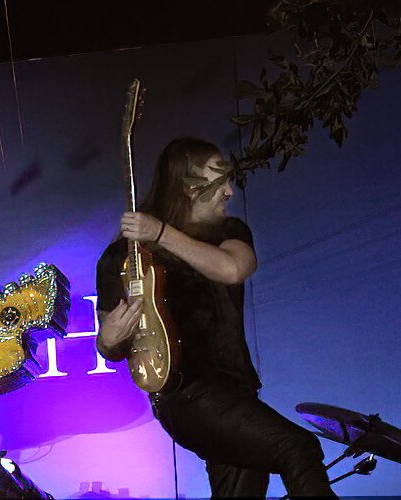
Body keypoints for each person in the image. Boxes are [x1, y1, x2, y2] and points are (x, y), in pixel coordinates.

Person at [94, 137, 335, 498]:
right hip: (187, 395)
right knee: (296, 447)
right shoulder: (123, 256)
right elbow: (110, 347)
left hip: (236, 392)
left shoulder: (230, 233)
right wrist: (110, 338)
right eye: (219, 182)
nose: (229, 192)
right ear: (187, 188)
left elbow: (233, 269)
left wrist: (161, 232)